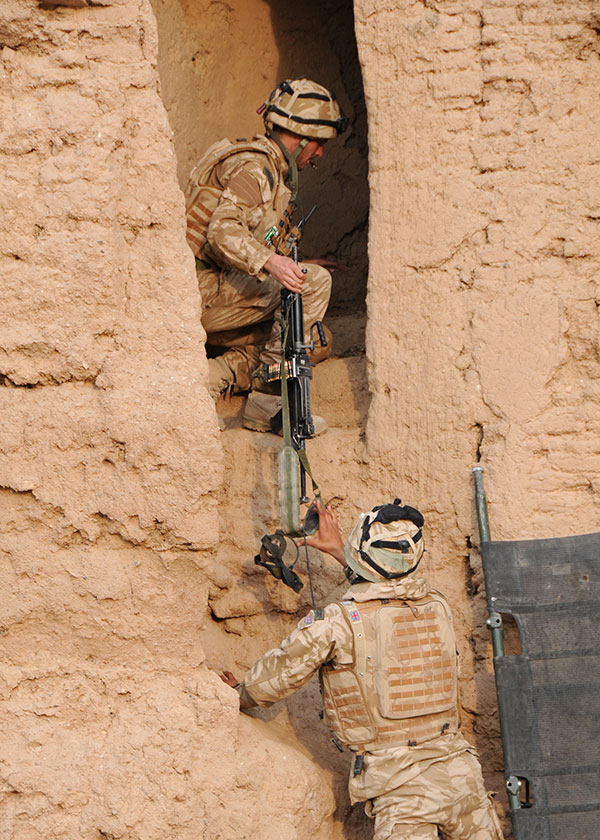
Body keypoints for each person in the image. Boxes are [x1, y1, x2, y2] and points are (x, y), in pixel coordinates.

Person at [221, 500, 504, 840]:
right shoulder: (436, 604)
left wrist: (234, 693)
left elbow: (274, 680)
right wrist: (342, 551)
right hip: (462, 779)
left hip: (402, 792)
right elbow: (387, 590)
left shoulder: (334, 625)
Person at [185, 78, 347, 433]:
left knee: (314, 341)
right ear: (299, 136)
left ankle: (215, 374)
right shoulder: (256, 169)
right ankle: (268, 399)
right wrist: (274, 263)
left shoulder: (272, 172)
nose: (319, 154)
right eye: (318, 144)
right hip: (199, 296)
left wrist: (289, 261)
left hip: (222, 297)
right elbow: (222, 232)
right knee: (315, 286)